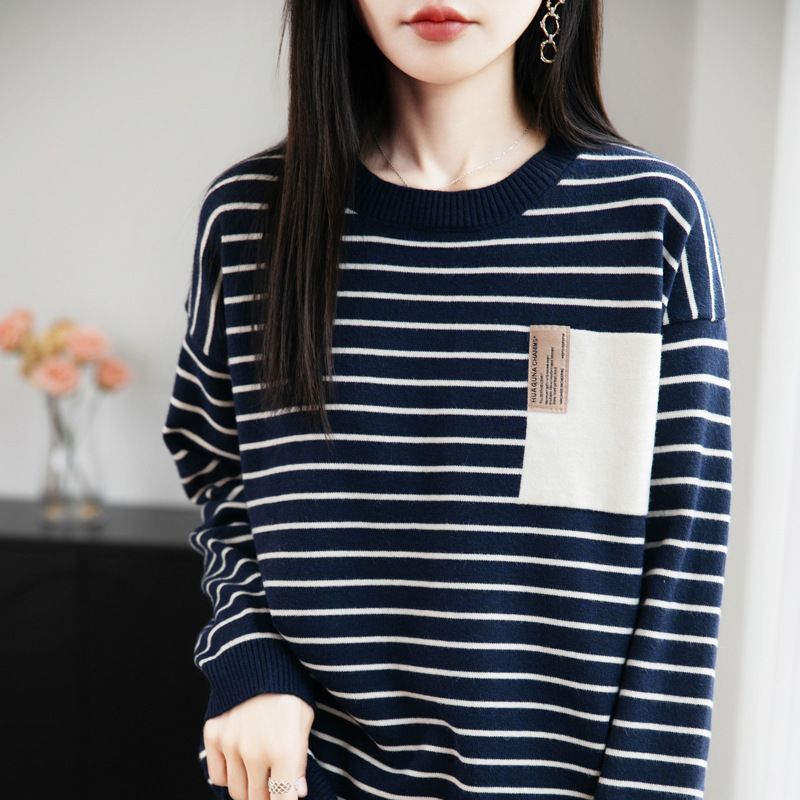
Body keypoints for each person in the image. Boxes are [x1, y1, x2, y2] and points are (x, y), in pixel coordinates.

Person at [163, 1, 732, 798]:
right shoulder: (251, 217)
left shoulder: (647, 222)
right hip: (305, 779)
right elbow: (223, 479)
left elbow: (682, 556)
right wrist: (253, 663)